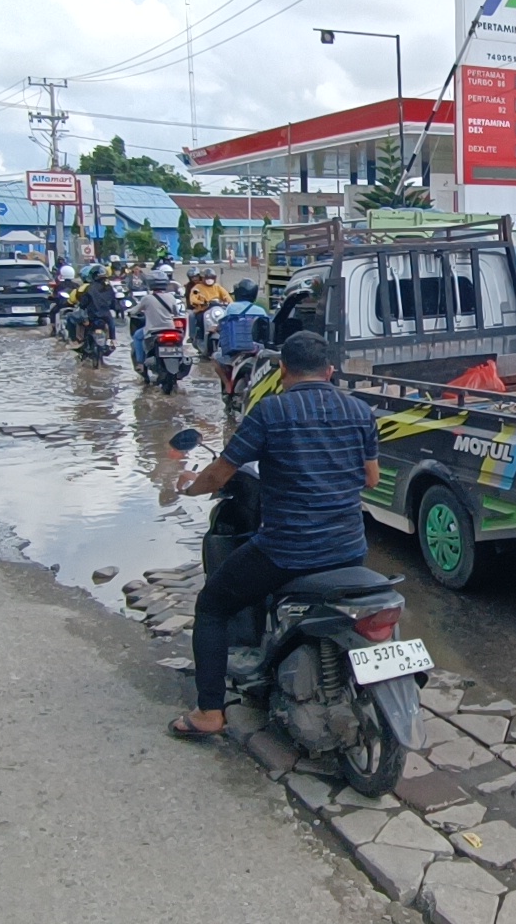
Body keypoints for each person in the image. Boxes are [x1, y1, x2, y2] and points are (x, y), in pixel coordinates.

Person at [168, 331, 380, 738]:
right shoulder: (359, 410)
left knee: (212, 605)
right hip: (350, 549)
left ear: (283, 370)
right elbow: (371, 479)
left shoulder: (271, 413)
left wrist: (190, 484)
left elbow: (222, 472)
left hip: (286, 550)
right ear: (330, 371)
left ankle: (209, 712)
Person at [212, 279, 270, 392]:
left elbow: (223, 323)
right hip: (257, 349)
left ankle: (227, 385)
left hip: (237, 349)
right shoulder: (261, 310)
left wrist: (215, 328)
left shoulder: (231, 308)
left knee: (215, 358)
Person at [131, 278, 182, 376]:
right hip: (170, 329)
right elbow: (176, 312)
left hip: (152, 330)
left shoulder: (147, 298)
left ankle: (140, 363)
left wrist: (129, 312)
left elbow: (134, 311)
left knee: (137, 336)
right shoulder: (171, 297)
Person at [74, 264, 118, 347]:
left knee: (81, 322)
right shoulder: (108, 287)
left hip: (93, 315)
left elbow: (83, 303)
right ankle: (113, 340)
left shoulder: (90, 288)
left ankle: (79, 341)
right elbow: (113, 301)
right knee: (111, 323)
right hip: (105, 315)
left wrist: (81, 307)